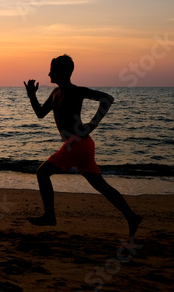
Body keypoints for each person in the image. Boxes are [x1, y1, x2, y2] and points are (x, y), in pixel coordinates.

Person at [24, 54, 142, 239]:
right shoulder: (55, 93)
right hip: (83, 146)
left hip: (77, 145)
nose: (48, 73)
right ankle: (132, 217)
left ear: (62, 72)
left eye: (52, 70)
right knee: (101, 185)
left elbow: (107, 99)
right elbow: (40, 113)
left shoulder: (75, 91)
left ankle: (50, 216)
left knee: (42, 173)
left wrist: (93, 124)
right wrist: (32, 96)